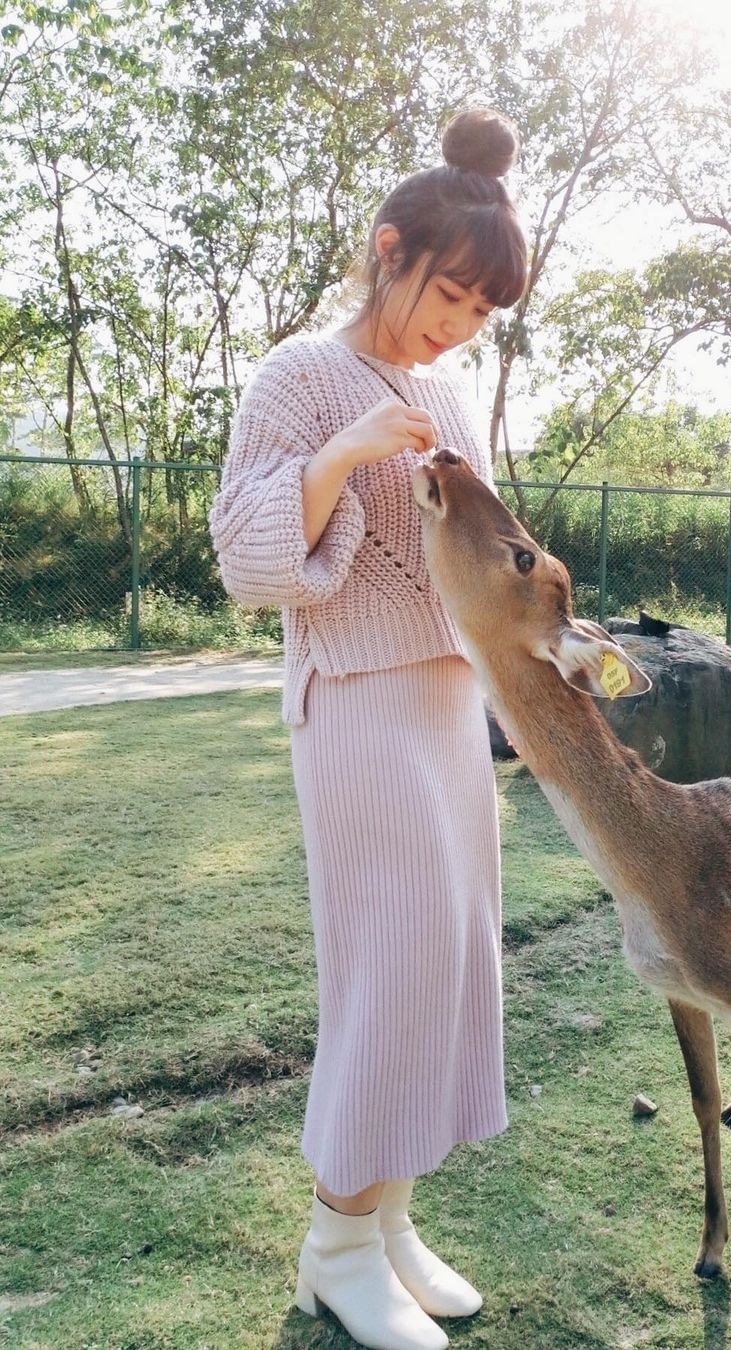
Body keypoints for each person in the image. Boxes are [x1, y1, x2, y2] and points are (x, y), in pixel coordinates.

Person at [209, 108, 528, 1350]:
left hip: (448, 702)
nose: (458, 325)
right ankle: (334, 1247)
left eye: (482, 312)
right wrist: (345, 448)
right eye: (449, 292)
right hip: (354, 701)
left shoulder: (446, 386)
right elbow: (250, 560)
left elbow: (482, 547)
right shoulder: (296, 374)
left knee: (449, 960)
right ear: (389, 250)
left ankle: (386, 1224)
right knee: (388, 965)